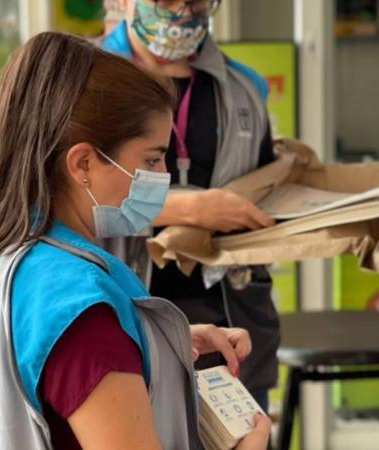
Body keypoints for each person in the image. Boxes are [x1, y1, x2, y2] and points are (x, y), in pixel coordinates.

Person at [0, 32, 271, 450]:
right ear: (83, 163)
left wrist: (156, 343)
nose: (163, 177)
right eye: (151, 159)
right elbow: (81, 347)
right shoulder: (82, 310)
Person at [101, 0, 281, 411]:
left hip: (233, 322)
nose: (183, 9)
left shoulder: (245, 87)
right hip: (125, 316)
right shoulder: (85, 83)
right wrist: (190, 211)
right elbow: (62, 196)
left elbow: (266, 187)